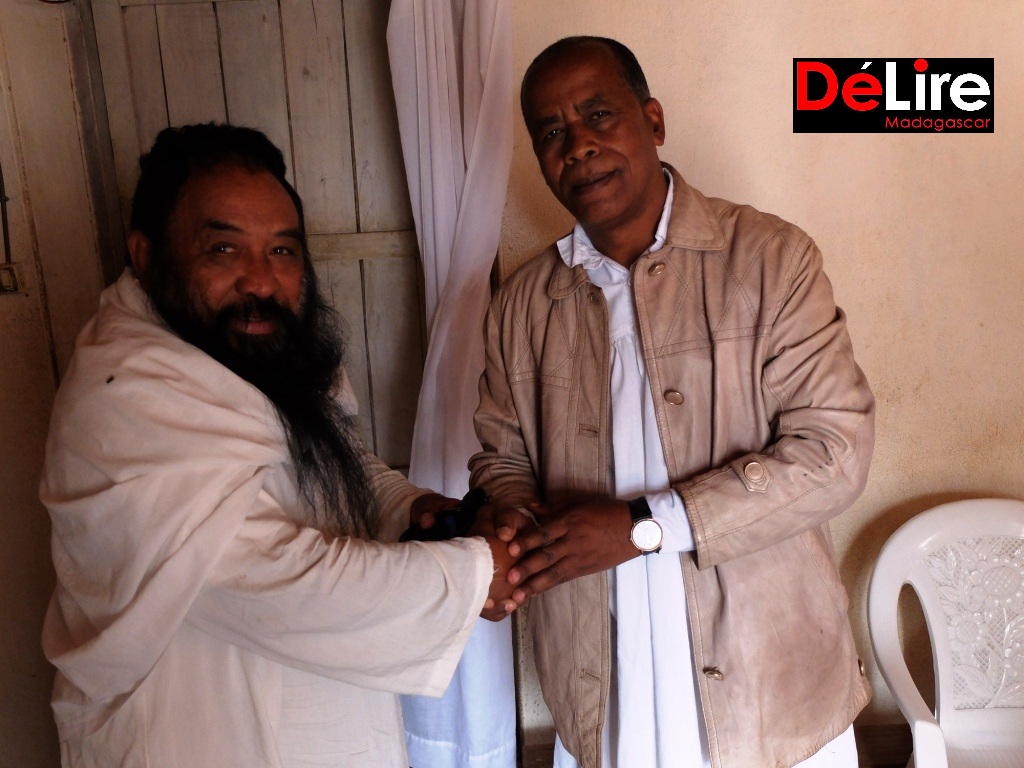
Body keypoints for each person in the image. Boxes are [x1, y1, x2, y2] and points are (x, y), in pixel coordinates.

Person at [40, 123, 515, 768]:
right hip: (190, 735)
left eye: (283, 251)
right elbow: (265, 579)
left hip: (322, 713)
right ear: (146, 256)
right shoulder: (125, 396)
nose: (261, 282)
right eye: (224, 250)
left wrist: (414, 509)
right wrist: (476, 574)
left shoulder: (263, 349)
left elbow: (336, 464)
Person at [471, 37, 875, 768]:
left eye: (599, 114)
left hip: (768, 680)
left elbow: (834, 454)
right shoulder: (522, 305)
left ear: (653, 120)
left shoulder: (769, 259)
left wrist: (643, 528)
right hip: (602, 675)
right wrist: (511, 531)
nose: (578, 145)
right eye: (552, 131)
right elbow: (503, 461)